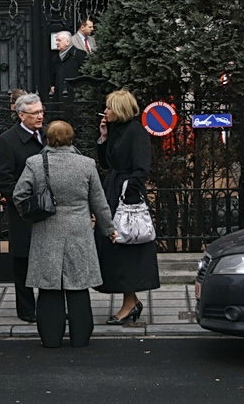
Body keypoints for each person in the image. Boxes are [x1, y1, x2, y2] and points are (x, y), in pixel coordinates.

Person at [13, 120, 117, 348]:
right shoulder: (87, 164)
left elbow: (19, 195)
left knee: (49, 288)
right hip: (79, 231)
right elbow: (99, 203)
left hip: (46, 230)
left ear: (48, 139)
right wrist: (109, 229)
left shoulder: (35, 163)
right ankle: (80, 338)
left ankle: (51, 339)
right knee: (78, 287)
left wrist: (32, 216)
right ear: (72, 138)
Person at [95, 88, 160, 325]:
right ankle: (130, 301)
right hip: (112, 191)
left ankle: (129, 302)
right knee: (114, 247)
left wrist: (127, 194)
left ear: (120, 109)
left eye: (109, 107)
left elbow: (141, 169)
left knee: (127, 248)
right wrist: (103, 137)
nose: (105, 111)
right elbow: (105, 163)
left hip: (126, 198)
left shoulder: (136, 132)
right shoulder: (115, 130)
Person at [0, 92, 45, 323]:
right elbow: (3, 178)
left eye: (41, 112)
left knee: (48, 259)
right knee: (23, 260)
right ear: (21, 115)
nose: (40, 117)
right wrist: (23, 201)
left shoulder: (47, 134)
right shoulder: (8, 140)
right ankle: (26, 310)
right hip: (23, 211)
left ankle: (48, 306)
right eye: (35, 113)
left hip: (47, 210)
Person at [49, 31, 85, 101]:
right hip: (59, 95)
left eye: (59, 40)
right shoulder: (55, 58)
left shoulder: (79, 54)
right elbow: (53, 74)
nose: (57, 43)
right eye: (56, 40)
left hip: (75, 96)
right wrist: (52, 85)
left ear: (67, 42)